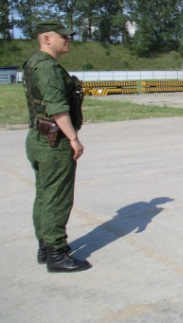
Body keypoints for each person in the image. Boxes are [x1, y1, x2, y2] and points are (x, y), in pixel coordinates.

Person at [23, 19, 91, 272]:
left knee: (44, 193)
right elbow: (57, 108)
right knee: (57, 197)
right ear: (46, 39)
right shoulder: (48, 67)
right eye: (63, 36)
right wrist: (73, 138)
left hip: (39, 137)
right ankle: (56, 253)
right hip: (54, 140)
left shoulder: (33, 63)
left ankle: (46, 245)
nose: (68, 40)